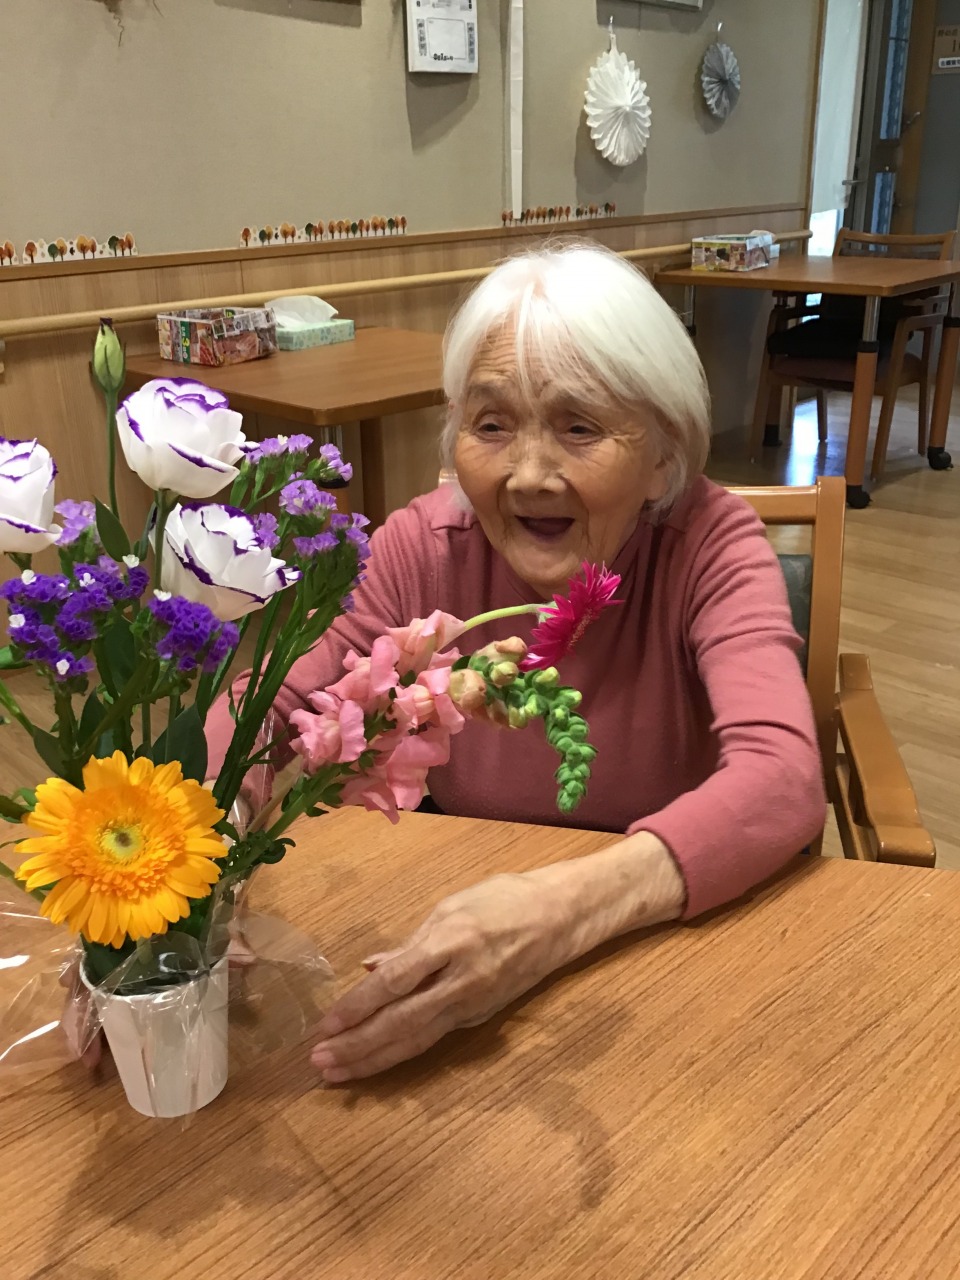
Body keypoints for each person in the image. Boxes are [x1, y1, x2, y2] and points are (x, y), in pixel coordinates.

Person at [204, 243, 826, 1084]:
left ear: (665, 456)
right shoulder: (420, 548)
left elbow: (782, 778)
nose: (529, 474)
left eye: (580, 426)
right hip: (450, 938)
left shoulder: (712, 545)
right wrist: (192, 862)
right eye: (491, 425)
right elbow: (265, 711)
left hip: (661, 953)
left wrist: (561, 910)